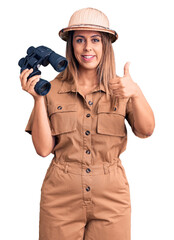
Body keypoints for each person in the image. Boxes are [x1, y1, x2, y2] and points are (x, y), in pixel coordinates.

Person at [20, 7, 155, 240]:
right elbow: (43, 150)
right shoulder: (51, 89)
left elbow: (146, 130)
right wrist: (38, 99)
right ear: (71, 45)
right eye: (80, 40)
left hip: (112, 198)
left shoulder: (122, 88)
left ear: (106, 45)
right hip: (60, 198)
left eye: (95, 40)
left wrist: (136, 92)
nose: (87, 48)